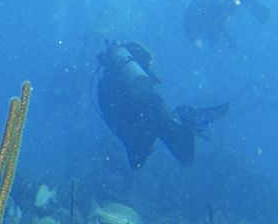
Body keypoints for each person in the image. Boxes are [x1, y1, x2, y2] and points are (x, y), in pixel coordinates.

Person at [95, 40, 227, 169]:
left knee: (137, 163)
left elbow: (110, 115)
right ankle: (188, 117)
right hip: (145, 120)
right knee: (185, 156)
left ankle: (186, 118)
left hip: (131, 131)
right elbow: (146, 87)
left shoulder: (104, 83)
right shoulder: (124, 78)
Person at [182, 0, 270, 49]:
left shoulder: (201, 12)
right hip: (217, 13)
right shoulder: (197, 15)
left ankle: (262, 14)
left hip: (218, 12)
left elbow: (218, 25)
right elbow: (218, 26)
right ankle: (262, 14)